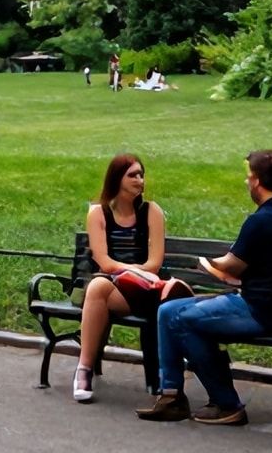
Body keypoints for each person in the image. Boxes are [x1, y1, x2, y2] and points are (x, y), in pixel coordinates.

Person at [138, 150, 272, 428]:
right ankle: (170, 397)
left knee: (184, 319)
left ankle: (227, 405)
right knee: (167, 311)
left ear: (257, 182)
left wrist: (205, 262)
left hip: (263, 312)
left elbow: (230, 266)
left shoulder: (261, 220)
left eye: (249, 177)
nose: (247, 182)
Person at [72, 154, 190, 402]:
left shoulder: (152, 212)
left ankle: (161, 373)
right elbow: (104, 262)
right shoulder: (98, 214)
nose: (140, 180)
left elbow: (155, 262)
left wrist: (135, 272)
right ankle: (84, 370)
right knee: (98, 286)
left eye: (141, 174)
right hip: (113, 287)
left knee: (102, 286)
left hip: (146, 288)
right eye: (133, 175)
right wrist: (134, 269)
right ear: (117, 179)